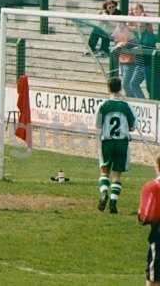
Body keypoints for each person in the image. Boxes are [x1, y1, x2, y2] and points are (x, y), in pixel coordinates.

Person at [95, 77, 136, 214]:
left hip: (107, 142)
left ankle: (104, 193)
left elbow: (98, 126)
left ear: (108, 88)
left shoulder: (103, 105)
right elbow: (132, 127)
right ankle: (113, 201)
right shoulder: (126, 106)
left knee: (104, 171)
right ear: (120, 88)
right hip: (122, 143)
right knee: (117, 175)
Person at [138, 155, 160, 286]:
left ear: (157, 166)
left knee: (154, 279)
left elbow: (145, 217)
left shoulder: (152, 187)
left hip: (158, 236)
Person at [129, 3, 157, 97]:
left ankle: (154, 105)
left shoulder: (145, 21)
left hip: (149, 62)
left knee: (150, 87)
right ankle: (143, 103)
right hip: (139, 61)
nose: (135, 11)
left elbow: (142, 30)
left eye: (137, 9)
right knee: (133, 83)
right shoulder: (135, 28)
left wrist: (139, 48)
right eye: (133, 9)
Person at [112, 22, 142, 98]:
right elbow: (114, 41)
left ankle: (133, 100)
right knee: (126, 84)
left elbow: (136, 42)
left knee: (126, 84)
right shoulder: (116, 30)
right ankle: (131, 99)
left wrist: (124, 44)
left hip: (131, 61)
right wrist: (117, 44)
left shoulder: (129, 30)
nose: (119, 24)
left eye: (121, 22)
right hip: (121, 61)